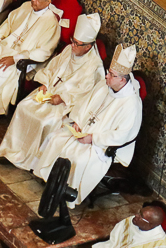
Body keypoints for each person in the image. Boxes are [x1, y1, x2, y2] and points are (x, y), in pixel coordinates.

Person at [33, 44, 142, 205]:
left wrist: (92, 138)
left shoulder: (131, 104)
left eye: (111, 75)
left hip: (101, 144)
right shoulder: (104, 86)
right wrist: (77, 121)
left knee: (77, 157)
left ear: (122, 80)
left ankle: (67, 193)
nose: (106, 76)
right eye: (108, 72)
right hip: (83, 131)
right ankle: (50, 180)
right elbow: (84, 104)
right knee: (55, 138)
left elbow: (122, 134)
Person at [0, 13, 104, 168]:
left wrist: (61, 98)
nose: (72, 45)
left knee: (44, 121)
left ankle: (31, 161)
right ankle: (12, 152)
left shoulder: (94, 66)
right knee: (23, 107)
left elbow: (86, 93)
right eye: (73, 41)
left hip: (66, 104)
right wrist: (45, 84)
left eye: (77, 43)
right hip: (49, 92)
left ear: (88, 47)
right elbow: (51, 68)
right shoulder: (68, 50)